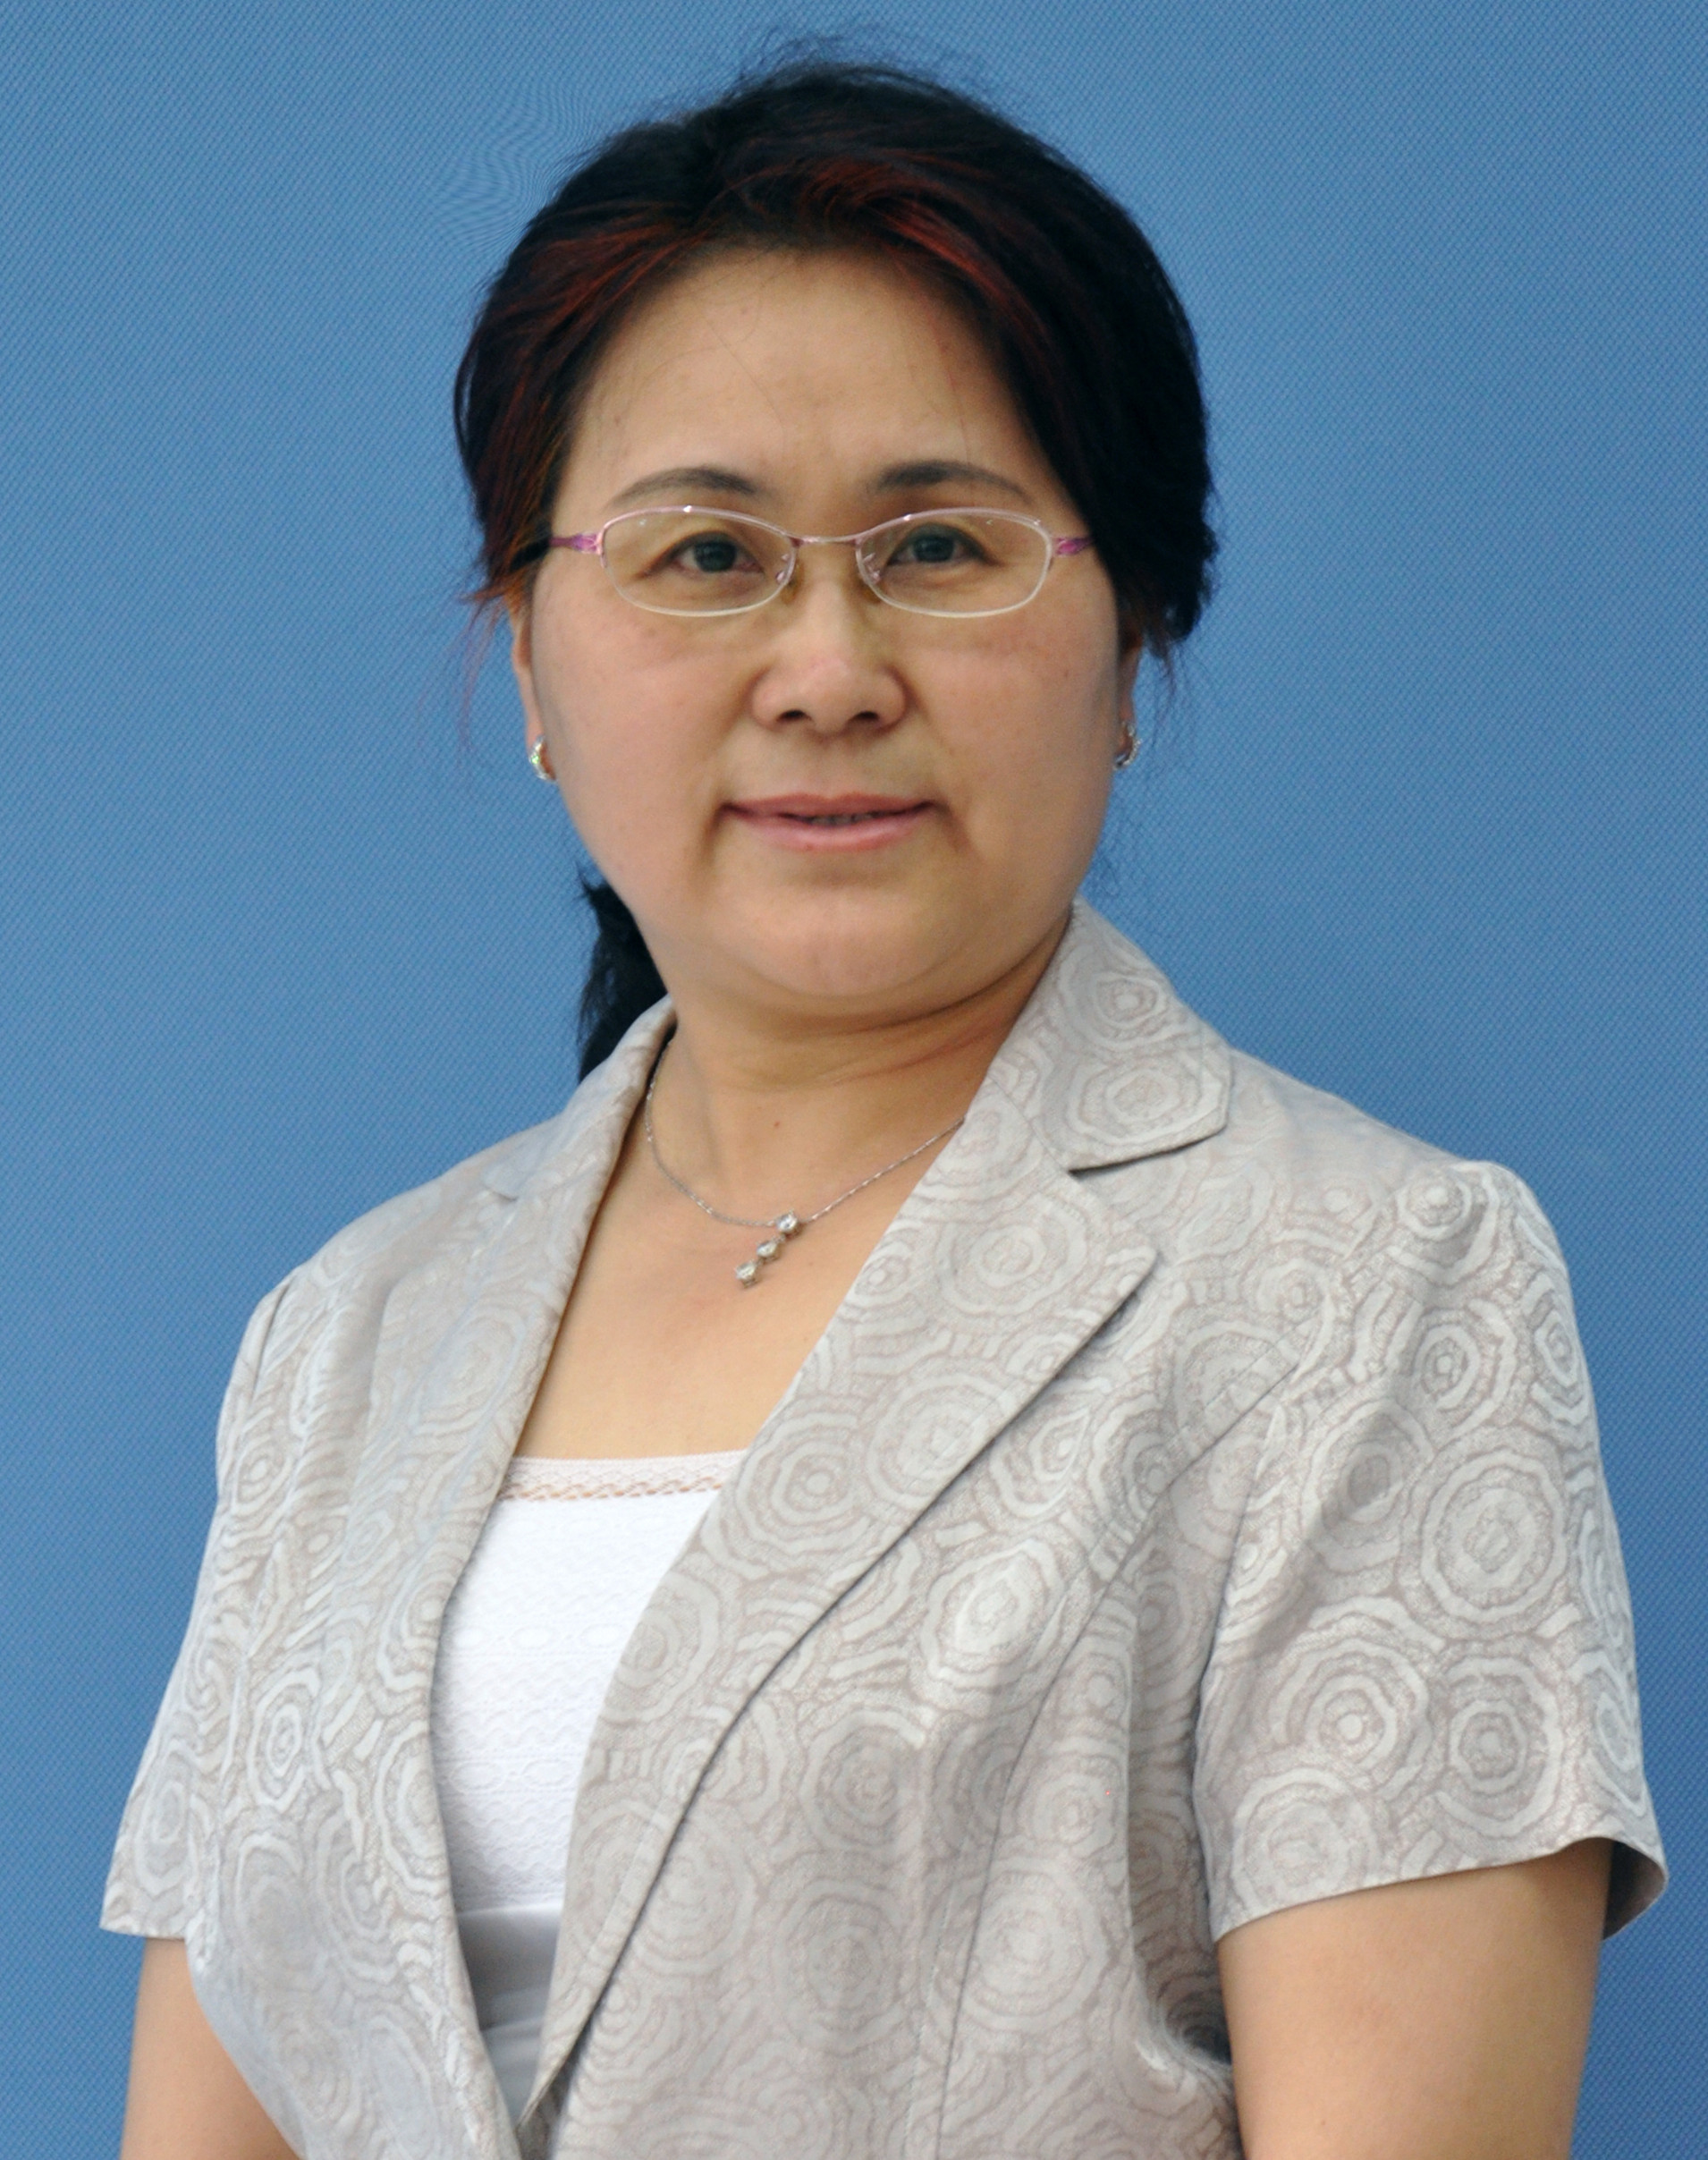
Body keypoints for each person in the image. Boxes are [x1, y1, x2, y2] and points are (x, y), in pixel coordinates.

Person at [106, 57, 1663, 2160]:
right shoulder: (347, 1335)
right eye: (705, 551)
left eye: (938, 545)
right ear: (531, 660)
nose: (827, 667)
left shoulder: (1362, 1287)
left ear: (1133, 640)